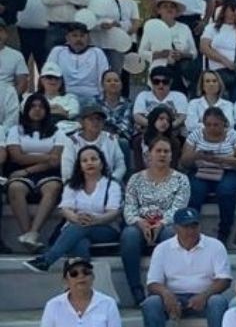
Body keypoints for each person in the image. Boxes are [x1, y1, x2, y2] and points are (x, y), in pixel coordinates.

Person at [140, 207, 232, 327]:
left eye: (194, 225)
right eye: (185, 226)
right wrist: (166, 293)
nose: (191, 230)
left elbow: (224, 280)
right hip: (173, 298)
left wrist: (204, 295)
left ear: (200, 226)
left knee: (218, 303)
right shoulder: (162, 249)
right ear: (175, 228)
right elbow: (153, 283)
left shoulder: (215, 246)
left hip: (205, 297)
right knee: (151, 304)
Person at [23, 145, 120, 273]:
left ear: (101, 164)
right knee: (80, 243)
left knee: (79, 227)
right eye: (84, 160)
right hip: (76, 227)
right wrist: (76, 218)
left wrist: (95, 220)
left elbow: (114, 212)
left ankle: (47, 259)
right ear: (80, 166)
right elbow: (66, 209)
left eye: (94, 159)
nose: (89, 163)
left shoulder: (112, 185)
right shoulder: (72, 185)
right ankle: (84, 275)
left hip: (105, 228)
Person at [118, 139, 190, 305]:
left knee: (170, 235)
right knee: (129, 235)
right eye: (158, 151)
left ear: (171, 156)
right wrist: (139, 222)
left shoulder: (181, 179)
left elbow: (179, 208)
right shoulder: (135, 179)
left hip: (168, 223)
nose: (162, 155)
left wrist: (162, 223)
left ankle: (168, 290)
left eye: (166, 151)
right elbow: (129, 208)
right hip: (140, 224)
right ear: (149, 154)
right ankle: (136, 290)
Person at [182, 106, 236, 243]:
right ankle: (191, 230)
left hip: (229, 172)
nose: (212, 128)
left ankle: (224, 232)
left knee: (225, 190)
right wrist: (197, 156)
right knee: (195, 190)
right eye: (208, 125)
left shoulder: (233, 135)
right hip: (201, 171)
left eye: (216, 125)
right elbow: (184, 161)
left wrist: (223, 160)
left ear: (224, 123)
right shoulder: (195, 135)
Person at [5, 92, 62, 250]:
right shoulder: (16, 130)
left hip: (47, 172)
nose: (37, 110)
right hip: (19, 171)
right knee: (15, 188)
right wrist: (46, 156)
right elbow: (17, 157)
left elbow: (56, 160)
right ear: (27, 109)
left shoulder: (57, 131)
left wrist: (27, 170)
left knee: (53, 188)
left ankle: (33, 233)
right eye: (33, 106)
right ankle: (27, 234)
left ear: (46, 110)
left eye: (41, 107)